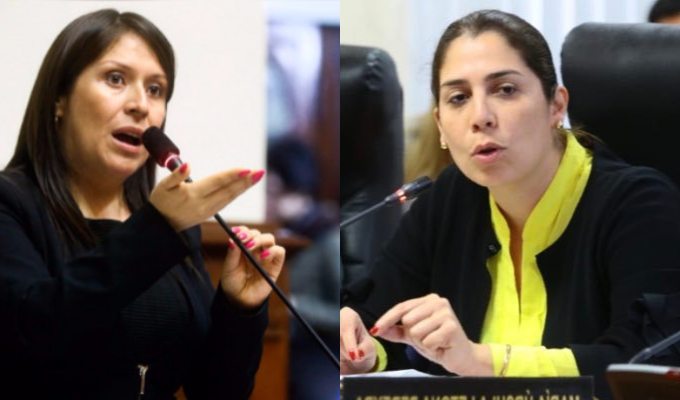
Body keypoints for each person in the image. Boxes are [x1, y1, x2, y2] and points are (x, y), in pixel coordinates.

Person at [340, 9, 680, 400]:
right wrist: (363, 352)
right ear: (441, 125)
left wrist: (478, 361)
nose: (480, 117)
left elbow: (642, 367)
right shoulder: (450, 197)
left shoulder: (639, 204)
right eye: (458, 98)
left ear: (556, 106)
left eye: (505, 90)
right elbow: (378, 318)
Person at [0, 9, 285, 399]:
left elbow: (214, 391)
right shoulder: (10, 203)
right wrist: (157, 227)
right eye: (115, 79)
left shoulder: (171, 227)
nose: (140, 105)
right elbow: (35, 329)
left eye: (155, 89)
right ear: (59, 99)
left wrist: (238, 308)